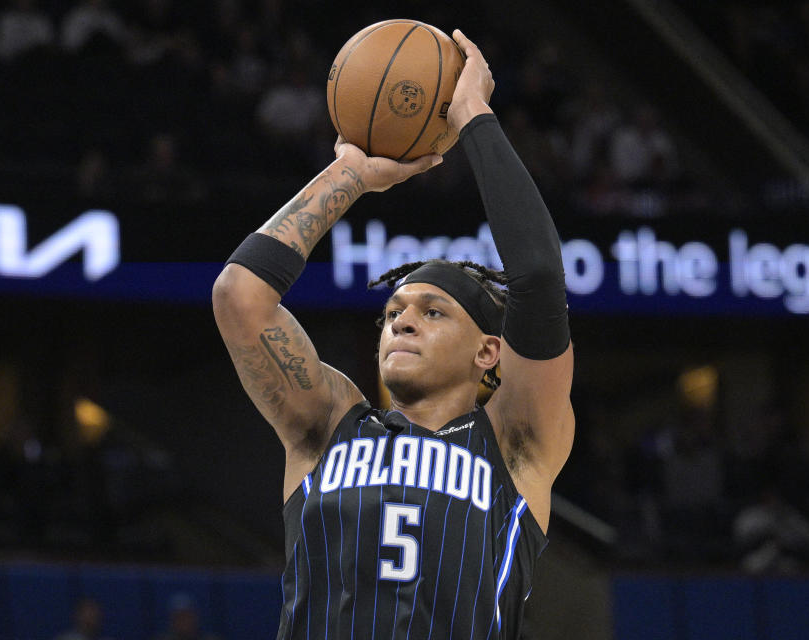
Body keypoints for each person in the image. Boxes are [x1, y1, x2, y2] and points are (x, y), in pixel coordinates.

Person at [213, 30, 574, 639]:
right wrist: (350, 172)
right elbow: (239, 295)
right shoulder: (328, 423)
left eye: (433, 312)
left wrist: (474, 117)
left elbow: (537, 275)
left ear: (489, 351)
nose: (402, 319)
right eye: (394, 312)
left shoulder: (515, 444)